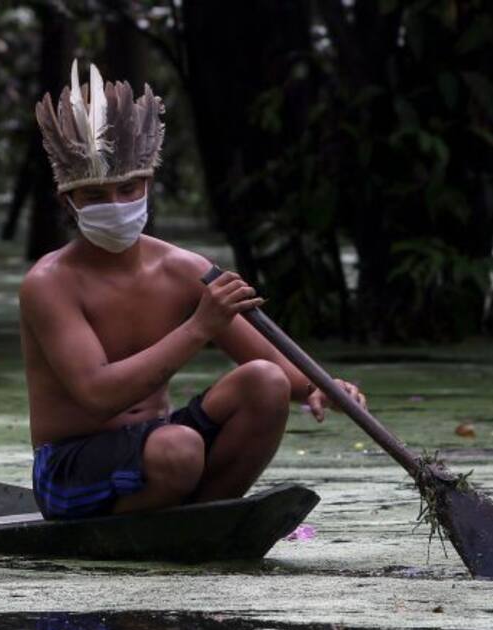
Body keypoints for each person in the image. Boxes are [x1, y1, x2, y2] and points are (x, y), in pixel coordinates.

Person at [22, 61, 367, 520]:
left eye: (128, 189)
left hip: (159, 446)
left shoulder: (184, 269)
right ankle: (150, 525)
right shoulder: (49, 284)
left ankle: (200, 516)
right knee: (178, 449)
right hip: (72, 467)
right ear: (69, 201)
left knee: (266, 382)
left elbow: (271, 360)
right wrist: (200, 326)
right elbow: (98, 395)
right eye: (97, 196)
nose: (117, 205)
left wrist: (321, 386)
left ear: (147, 184)